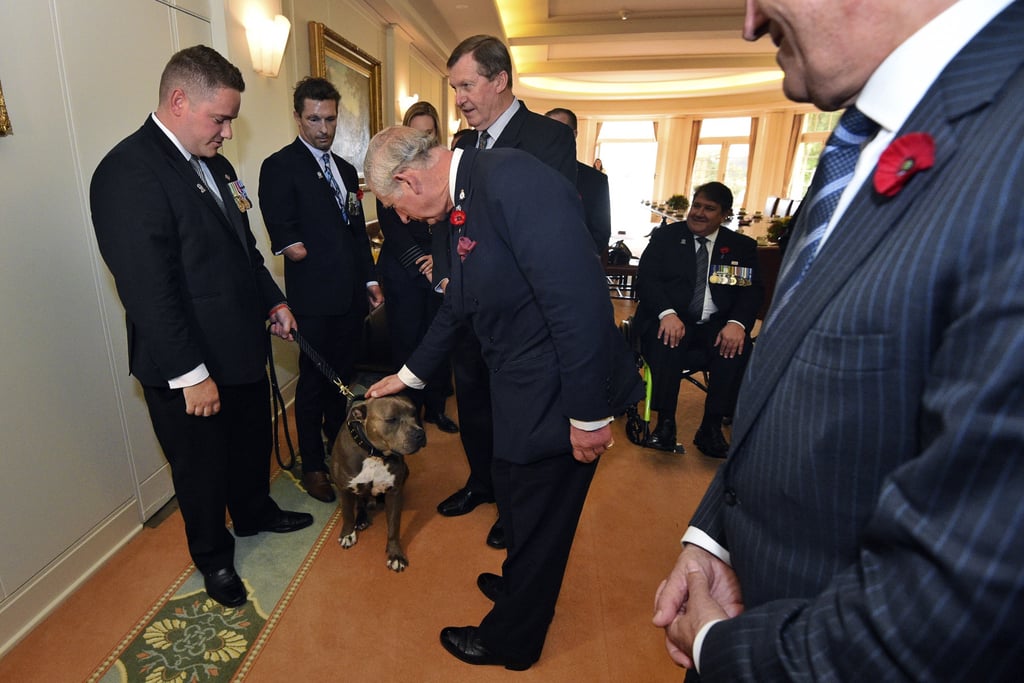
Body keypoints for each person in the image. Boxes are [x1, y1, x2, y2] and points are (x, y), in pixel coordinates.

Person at [653, 0, 1024, 680]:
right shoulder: (857, 144)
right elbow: (799, 372)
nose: (749, 21)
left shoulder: (1007, 148)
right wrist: (714, 533)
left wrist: (720, 651)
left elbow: (962, 595)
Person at [363, 125, 641, 670]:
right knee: (516, 498)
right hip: (522, 381)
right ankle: (521, 587)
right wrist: (410, 374)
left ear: (408, 179)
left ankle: (511, 640)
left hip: (560, 390)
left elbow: (580, 304)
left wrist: (587, 415)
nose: (402, 217)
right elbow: (458, 303)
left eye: (396, 204)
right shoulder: (467, 194)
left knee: (540, 516)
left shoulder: (513, 181)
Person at [90, 45, 313, 609]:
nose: (227, 133)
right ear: (179, 99)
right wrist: (192, 374)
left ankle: (256, 512)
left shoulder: (217, 164)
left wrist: (273, 302)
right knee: (201, 470)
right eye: (221, 119)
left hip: (238, 346)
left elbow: (244, 253)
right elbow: (147, 288)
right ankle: (213, 557)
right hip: (186, 364)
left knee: (249, 442)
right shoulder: (127, 171)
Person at [434, 34, 578, 549]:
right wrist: (448, 272)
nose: (461, 99)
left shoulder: (548, 139)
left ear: (499, 80)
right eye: (455, 88)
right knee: (472, 400)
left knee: (515, 414)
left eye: (468, 85)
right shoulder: (461, 143)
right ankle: (480, 482)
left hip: (520, 315)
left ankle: (512, 506)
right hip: (469, 308)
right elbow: (450, 221)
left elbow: (550, 234)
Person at [258, 77, 383, 503]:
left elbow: (356, 235)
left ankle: (337, 453)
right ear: (297, 117)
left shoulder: (347, 171)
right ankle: (311, 464)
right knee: (313, 386)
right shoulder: (280, 166)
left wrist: (369, 279)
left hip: (350, 300)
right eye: (314, 119)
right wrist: (294, 243)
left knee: (342, 381)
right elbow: (288, 241)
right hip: (313, 303)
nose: (323, 128)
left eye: (330, 119)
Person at [634, 182, 763, 457]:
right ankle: (665, 423)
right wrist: (666, 313)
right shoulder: (666, 238)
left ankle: (712, 427)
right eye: (697, 206)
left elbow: (750, 293)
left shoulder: (740, 247)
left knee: (736, 348)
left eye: (709, 208)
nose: (699, 213)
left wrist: (737, 324)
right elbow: (647, 280)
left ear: (725, 215)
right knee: (667, 338)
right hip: (671, 318)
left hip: (717, 324)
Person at [376, 101, 458, 433]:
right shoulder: (390, 174)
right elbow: (391, 228)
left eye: (429, 133)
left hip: (439, 266)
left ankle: (436, 409)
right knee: (407, 342)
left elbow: (450, 221)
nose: (423, 140)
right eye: (416, 133)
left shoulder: (446, 173)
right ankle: (406, 414)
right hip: (403, 272)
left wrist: (439, 260)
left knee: (437, 341)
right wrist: (420, 265)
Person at [545, 107, 613, 257]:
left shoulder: (596, 180)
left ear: (574, 134)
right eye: (548, 130)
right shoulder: (529, 172)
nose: (553, 136)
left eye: (560, 130)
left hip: (576, 263)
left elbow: (600, 232)